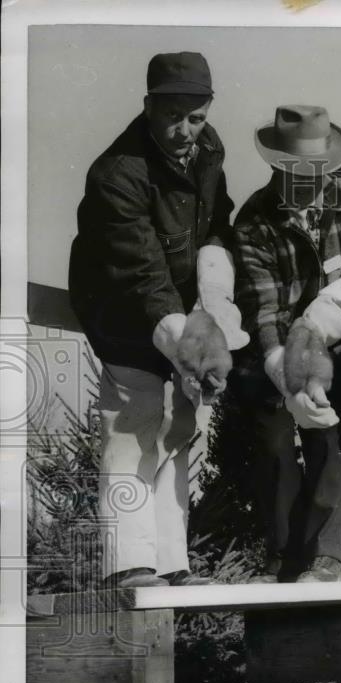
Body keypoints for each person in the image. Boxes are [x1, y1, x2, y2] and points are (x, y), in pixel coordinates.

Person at [68, 52, 243, 588]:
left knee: (181, 429)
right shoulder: (116, 175)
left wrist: (211, 311)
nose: (185, 131)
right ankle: (130, 564)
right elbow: (142, 274)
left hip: (183, 308)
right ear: (148, 105)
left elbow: (217, 222)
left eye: (197, 117)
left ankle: (172, 562)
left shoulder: (208, 147)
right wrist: (188, 342)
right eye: (173, 116)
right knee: (133, 423)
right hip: (122, 308)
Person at [232, 104, 341, 582]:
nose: (307, 181)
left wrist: (335, 304)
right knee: (275, 445)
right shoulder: (253, 222)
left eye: (316, 170)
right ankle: (286, 556)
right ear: (275, 166)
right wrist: (288, 372)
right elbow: (262, 309)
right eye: (294, 171)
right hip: (278, 352)